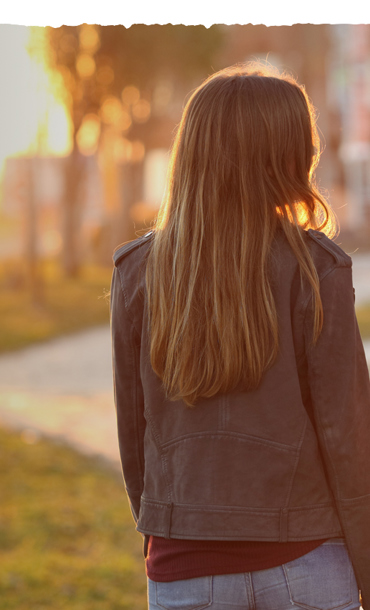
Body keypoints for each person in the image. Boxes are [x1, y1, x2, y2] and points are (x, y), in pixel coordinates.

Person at [110, 62, 370, 610]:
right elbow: (348, 435)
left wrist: (169, 531)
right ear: (289, 154)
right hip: (309, 562)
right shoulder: (318, 267)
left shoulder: (137, 269)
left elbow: (134, 436)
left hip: (183, 566)